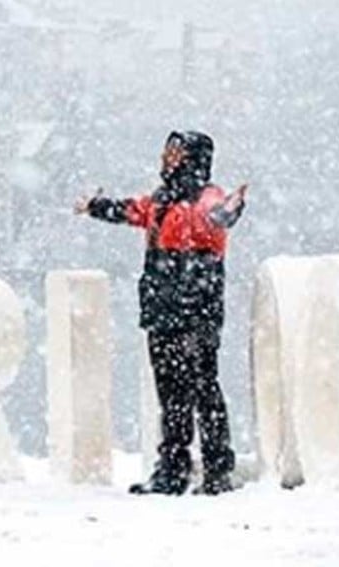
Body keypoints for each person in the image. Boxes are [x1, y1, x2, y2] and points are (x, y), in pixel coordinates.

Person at [74, 130, 248, 496]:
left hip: (196, 309)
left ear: (192, 158)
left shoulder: (206, 198)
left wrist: (230, 211)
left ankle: (217, 469)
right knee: (171, 393)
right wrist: (96, 206)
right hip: (163, 310)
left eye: (175, 153)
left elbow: (218, 215)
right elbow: (131, 210)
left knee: (203, 386)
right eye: (167, 152)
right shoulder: (160, 201)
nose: (167, 159)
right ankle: (172, 469)